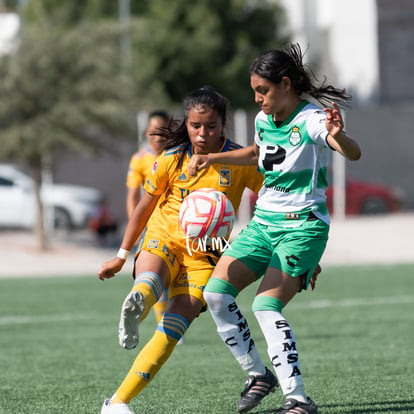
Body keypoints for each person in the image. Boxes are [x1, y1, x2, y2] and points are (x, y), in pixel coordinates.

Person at [188, 43, 361, 414]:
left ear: (285, 84)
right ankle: (257, 374)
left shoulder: (312, 120)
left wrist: (339, 134)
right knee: (216, 295)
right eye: (254, 91)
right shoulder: (263, 119)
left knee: (266, 307)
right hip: (263, 224)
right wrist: (211, 158)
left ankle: (297, 400)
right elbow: (257, 152)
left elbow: (351, 152)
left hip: (302, 229)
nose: (257, 98)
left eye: (262, 90)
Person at [98, 85, 264, 414]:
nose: (202, 134)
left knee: (170, 331)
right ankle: (139, 301)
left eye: (211, 126)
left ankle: (117, 404)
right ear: (186, 124)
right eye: (195, 126)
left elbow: (271, 199)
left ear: (223, 125)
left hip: (206, 255)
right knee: (149, 283)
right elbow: (144, 208)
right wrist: (121, 254)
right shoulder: (172, 159)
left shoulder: (239, 161)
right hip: (165, 237)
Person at [125, 109, 170, 325]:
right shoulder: (139, 159)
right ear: (146, 132)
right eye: (154, 132)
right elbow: (133, 195)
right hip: (154, 225)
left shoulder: (179, 154)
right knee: (156, 273)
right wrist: (135, 228)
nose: (159, 137)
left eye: (163, 132)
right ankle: (164, 321)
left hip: (179, 222)